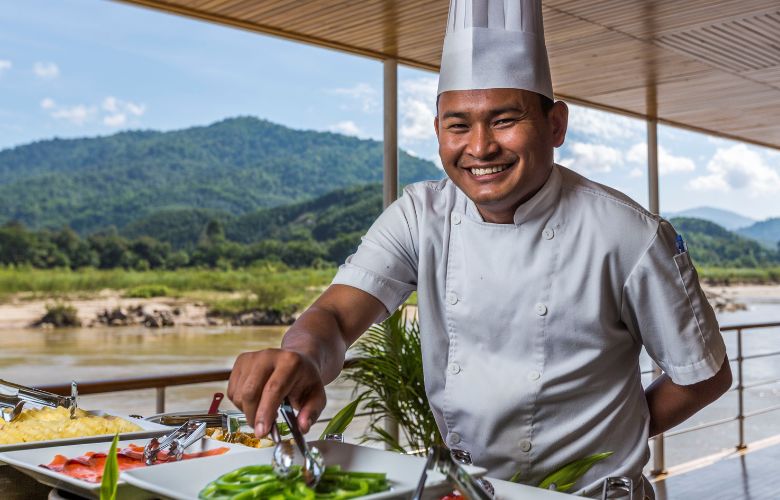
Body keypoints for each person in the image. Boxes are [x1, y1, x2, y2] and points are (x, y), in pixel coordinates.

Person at [228, 0, 731, 497]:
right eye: (458, 125)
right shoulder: (418, 215)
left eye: (504, 119)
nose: (480, 147)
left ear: (555, 124)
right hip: (466, 492)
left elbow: (703, 375)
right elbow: (336, 317)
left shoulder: (629, 234)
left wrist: (612, 440)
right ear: (438, 131)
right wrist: (300, 357)